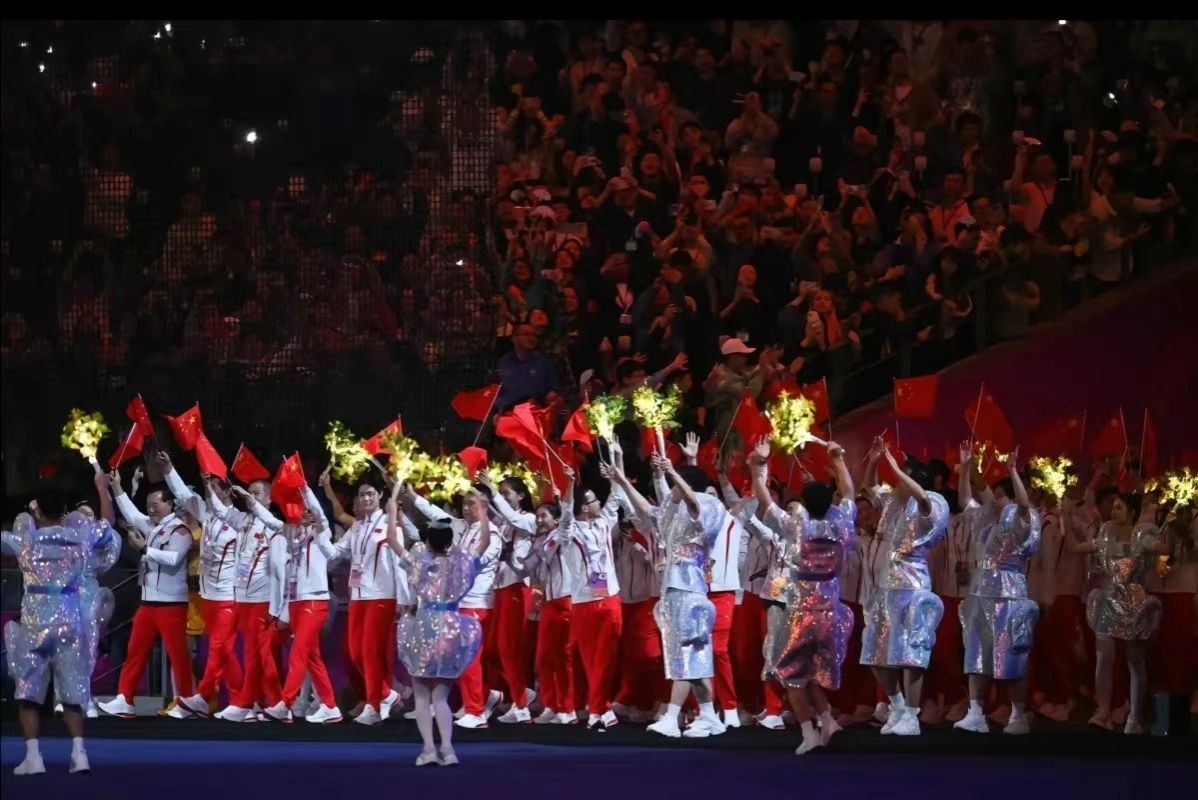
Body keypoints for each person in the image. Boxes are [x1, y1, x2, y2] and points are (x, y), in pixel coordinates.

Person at [605, 452, 726, 738]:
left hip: (689, 587)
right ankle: (709, 716)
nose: (670, 491)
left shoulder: (707, 504)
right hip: (673, 587)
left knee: (685, 655)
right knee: (690, 657)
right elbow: (647, 509)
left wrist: (672, 472)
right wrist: (622, 481)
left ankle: (672, 717)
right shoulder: (675, 513)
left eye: (674, 485)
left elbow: (693, 502)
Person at [749, 437, 856, 755]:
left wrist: (758, 465)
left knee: (790, 673)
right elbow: (849, 492)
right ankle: (828, 720)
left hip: (800, 612)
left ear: (804, 506)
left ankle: (809, 732)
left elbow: (764, 498)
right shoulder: (841, 525)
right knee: (810, 672)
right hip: (831, 611)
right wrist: (837, 459)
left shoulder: (797, 527)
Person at [4, 476, 114, 775]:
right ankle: (79, 754)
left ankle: (33, 757)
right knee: (73, 692)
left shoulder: (26, 541)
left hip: (35, 625)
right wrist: (102, 489)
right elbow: (107, 525)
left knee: (28, 692)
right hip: (70, 622)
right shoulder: (80, 539)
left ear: (37, 510)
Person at [385, 483, 485, 766]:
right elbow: (485, 543)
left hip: (426, 626)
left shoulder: (420, 563)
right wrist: (484, 511)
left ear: (428, 541)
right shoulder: (460, 564)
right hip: (451, 627)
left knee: (421, 692)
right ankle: (448, 749)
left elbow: (392, 540)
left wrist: (392, 509)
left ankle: (429, 748)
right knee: (441, 695)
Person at [858, 436, 950, 737]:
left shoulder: (933, 502)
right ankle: (896, 703)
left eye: (902, 476)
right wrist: (875, 458)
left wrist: (898, 470)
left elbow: (922, 499)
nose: (896, 481)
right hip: (885, 587)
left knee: (911, 653)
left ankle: (912, 714)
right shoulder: (893, 501)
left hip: (912, 585)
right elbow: (869, 485)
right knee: (874, 651)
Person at [953, 446, 1042, 735]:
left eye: (1001, 496)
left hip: (1009, 594)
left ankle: (1018, 715)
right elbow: (965, 499)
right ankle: (975, 713)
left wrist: (1013, 470)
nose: (995, 499)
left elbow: (1024, 505)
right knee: (976, 653)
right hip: (980, 592)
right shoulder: (985, 519)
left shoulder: (1022, 519)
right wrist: (967, 468)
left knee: (1012, 653)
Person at [407, 483, 504, 728]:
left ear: (485, 506)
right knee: (457, 657)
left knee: (469, 658)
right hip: (458, 602)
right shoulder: (461, 526)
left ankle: (476, 711)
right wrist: (414, 497)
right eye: (465, 503)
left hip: (477, 602)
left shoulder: (492, 534)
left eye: (472, 503)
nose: (466, 507)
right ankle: (484, 697)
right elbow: (436, 514)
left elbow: (476, 563)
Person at [100, 472, 196, 719]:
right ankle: (125, 699)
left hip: (171, 604)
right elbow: (131, 514)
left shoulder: (180, 530)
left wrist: (144, 548)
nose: (151, 509)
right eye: (149, 505)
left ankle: (187, 701)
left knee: (178, 655)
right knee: (135, 651)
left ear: (169, 504)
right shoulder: (153, 527)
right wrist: (117, 487)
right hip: (148, 602)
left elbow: (174, 559)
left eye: (156, 505)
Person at [1070, 493, 1167, 733]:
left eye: (1119, 508)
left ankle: (1134, 718)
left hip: (1134, 602)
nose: (1114, 512)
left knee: (1134, 660)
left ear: (1132, 513)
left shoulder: (1142, 537)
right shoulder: (1106, 537)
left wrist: (1174, 530)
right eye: (1113, 507)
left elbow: (1165, 550)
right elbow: (1075, 548)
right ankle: (1102, 712)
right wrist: (1065, 515)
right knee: (1103, 656)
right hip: (1110, 598)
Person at [161, 455, 244, 720]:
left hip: (229, 595)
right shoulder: (207, 515)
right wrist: (169, 469)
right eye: (208, 486)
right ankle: (241, 702)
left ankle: (202, 696)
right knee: (225, 651)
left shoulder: (239, 520)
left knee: (219, 647)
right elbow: (184, 495)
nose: (210, 492)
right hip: (208, 595)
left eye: (215, 487)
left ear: (227, 491)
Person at [325, 480, 404, 726]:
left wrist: (403, 598)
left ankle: (374, 705)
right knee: (354, 652)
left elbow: (400, 564)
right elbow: (336, 553)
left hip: (382, 595)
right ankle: (387, 695)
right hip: (358, 596)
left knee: (371, 653)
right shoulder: (357, 527)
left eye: (371, 493)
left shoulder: (390, 524)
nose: (366, 498)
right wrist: (319, 535)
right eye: (362, 495)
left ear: (380, 495)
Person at [268, 478, 346, 724]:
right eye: (301, 511)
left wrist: (304, 488)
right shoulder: (296, 537)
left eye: (308, 510)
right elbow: (271, 521)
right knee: (312, 657)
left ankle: (285, 703)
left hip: (315, 601)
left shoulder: (323, 533)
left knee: (298, 652)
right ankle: (330, 706)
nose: (304, 514)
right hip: (297, 601)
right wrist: (251, 502)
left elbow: (320, 514)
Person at [557, 466, 624, 730]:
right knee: (589, 659)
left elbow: (615, 498)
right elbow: (565, 514)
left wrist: (616, 467)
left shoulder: (604, 523)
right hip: (584, 602)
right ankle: (600, 709)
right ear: (585, 507)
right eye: (595, 500)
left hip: (610, 598)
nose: (600, 503)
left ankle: (597, 709)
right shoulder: (570, 533)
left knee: (606, 659)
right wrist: (570, 483)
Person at [478, 471, 537, 723]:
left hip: (517, 589)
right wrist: (482, 498)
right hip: (500, 589)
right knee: (492, 648)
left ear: (521, 496)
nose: (501, 497)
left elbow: (512, 517)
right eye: (501, 493)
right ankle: (521, 692)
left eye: (506, 493)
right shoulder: (503, 523)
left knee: (508, 648)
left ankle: (521, 705)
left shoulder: (529, 519)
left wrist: (492, 491)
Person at [521, 500, 580, 724]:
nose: (539, 520)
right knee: (544, 657)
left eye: (543, 516)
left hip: (565, 600)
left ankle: (568, 708)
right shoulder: (541, 540)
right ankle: (551, 705)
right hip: (548, 601)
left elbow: (545, 554)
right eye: (537, 516)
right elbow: (526, 568)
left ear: (556, 519)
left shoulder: (560, 536)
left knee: (563, 657)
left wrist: (537, 545)